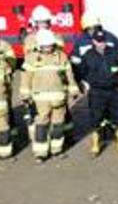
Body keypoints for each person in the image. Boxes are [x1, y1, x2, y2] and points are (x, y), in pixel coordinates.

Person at [19, 29, 76, 161]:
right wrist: (25, 95)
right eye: (45, 46)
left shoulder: (61, 56)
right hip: (40, 99)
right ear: (39, 45)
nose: (48, 48)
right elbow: (25, 78)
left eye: (50, 45)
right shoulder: (31, 58)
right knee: (41, 125)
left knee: (58, 124)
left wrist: (73, 89)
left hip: (59, 97)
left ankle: (57, 150)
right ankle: (41, 153)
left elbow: (69, 74)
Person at [76, 29, 118, 157]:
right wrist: (89, 83)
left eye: (103, 41)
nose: (101, 43)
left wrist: (113, 80)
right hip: (96, 92)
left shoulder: (114, 53)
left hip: (113, 90)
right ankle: (95, 146)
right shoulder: (88, 55)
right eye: (98, 41)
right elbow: (82, 71)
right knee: (96, 119)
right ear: (93, 41)